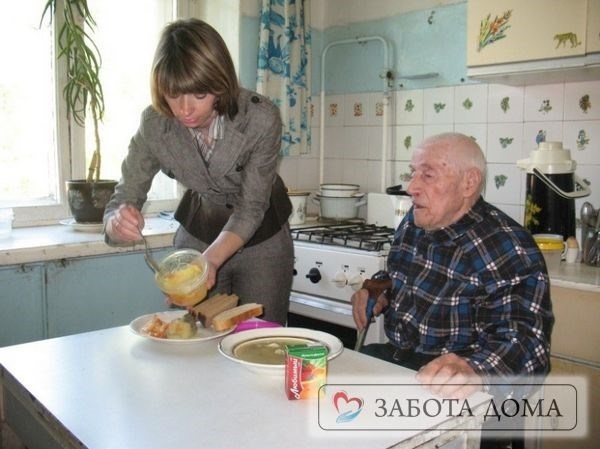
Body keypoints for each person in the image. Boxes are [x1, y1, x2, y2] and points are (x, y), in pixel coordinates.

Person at [103, 18, 293, 324]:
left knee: (259, 338)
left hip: (263, 240)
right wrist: (117, 222)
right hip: (198, 235)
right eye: (173, 94)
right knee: (192, 342)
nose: (185, 109)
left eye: (200, 95)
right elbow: (124, 196)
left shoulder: (260, 117)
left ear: (221, 84)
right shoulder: (155, 124)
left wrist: (211, 262)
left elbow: (252, 206)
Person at [352, 132, 554, 403]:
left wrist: (474, 370)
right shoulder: (415, 221)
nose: (411, 187)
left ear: (469, 182)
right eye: (413, 173)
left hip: (457, 388)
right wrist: (376, 290)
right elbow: (399, 276)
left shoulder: (505, 244)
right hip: (397, 362)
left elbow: (529, 347)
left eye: (428, 175)